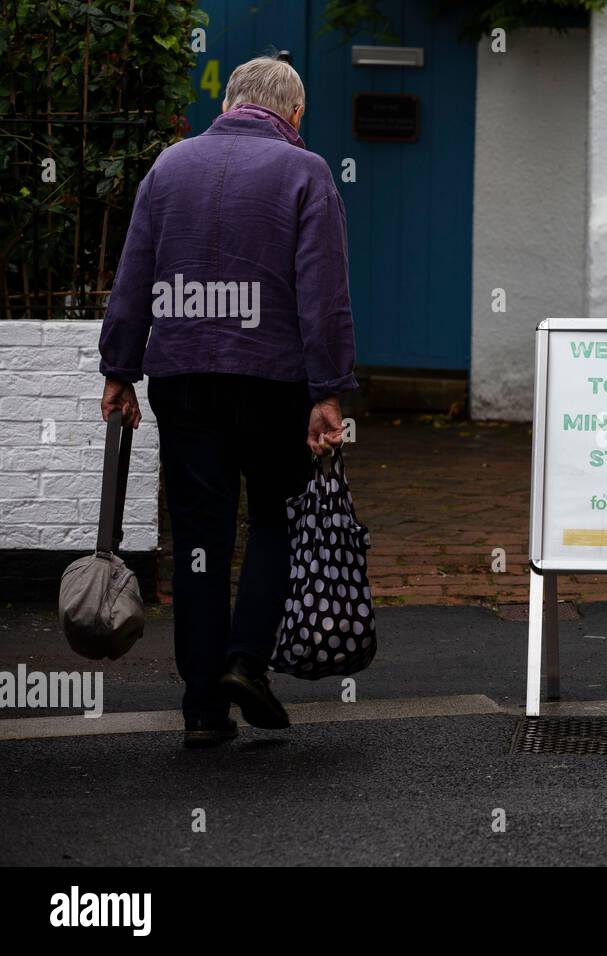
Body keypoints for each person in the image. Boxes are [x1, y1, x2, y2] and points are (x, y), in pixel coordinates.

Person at [98, 57, 356, 748]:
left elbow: (133, 275)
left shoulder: (168, 169)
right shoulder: (308, 174)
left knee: (201, 536)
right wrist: (328, 391)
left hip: (183, 380)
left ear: (230, 101)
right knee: (274, 517)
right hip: (273, 379)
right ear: (293, 114)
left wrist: (119, 369)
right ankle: (247, 659)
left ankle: (202, 707)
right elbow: (323, 297)